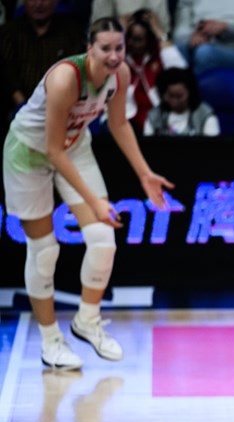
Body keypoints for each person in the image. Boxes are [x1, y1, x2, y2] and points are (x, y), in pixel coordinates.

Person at [2, 18, 173, 370]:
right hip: (28, 154)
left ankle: (87, 321)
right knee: (44, 250)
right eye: (105, 48)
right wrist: (94, 200)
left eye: (119, 48)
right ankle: (50, 341)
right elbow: (52, 149)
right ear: (89, 48)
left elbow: (118, 123)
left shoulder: (119, 75)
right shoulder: (66, 78)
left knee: (103, 242)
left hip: (75, 147)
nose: (114, 56)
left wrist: (144, 174)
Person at [143, 67, 221, 136]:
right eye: (171, 96)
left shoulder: (204, 114)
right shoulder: (154, 116)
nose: (175, 100)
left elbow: (212, 148)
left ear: (190, 93)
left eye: (179, 96)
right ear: (163, 95)